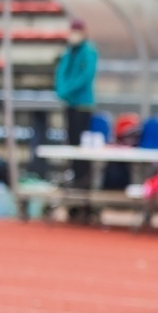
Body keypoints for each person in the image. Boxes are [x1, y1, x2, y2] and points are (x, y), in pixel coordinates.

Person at [54, 19, 99, 195]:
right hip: (70, 104)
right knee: (71, 143)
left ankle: (83, 183)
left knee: (82, 146)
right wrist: (61, 90)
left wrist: (67, 89)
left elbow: (85, 76)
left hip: (83, 106)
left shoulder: (88, 52)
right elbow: (61, 72)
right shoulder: (69, 52)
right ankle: (74, 178)